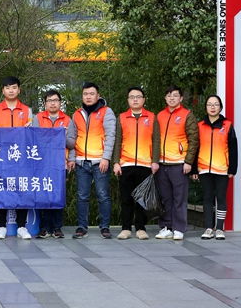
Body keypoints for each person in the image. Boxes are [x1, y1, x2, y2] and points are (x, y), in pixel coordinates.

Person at [66, 82, 115, 239]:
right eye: (85, 94)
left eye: (91, 94)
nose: (88, 97)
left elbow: (110, 136)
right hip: (81, 162)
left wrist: (106, 158)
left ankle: (105, 227)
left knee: (103, 195)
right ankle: (82, 227)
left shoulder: (106, 112)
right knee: (82, 196)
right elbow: (72, 139)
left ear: (98, 96)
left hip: (100, 161)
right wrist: (72, 159)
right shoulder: (76, 114)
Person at [112, 87, 160, 241]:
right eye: (132, 97)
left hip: (145, 164)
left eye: (138, 97)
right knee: (126, 199)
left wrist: (155, 161)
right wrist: (116, 162)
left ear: (144, 100)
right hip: (125, 164)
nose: (135, 99)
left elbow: (156, 140)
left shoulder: (152, 117)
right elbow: (117, 141)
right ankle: (126, 228)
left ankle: (140, 228)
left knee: (142, 199)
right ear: (128, 100)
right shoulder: (122, 117)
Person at [0, 76, 33, 240]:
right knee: (1, 190)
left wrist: (31, 129)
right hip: (2, 158)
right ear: (3, 91)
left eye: (14, 87)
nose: (11, 90)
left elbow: (32, 136)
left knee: (22, 189)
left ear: (19, 90)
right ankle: (1, 226)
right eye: (7, 88)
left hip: (21, 158)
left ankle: (22, 226)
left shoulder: (27, 110)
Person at [154, 85, 199, 241]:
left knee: (179, 197)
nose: (171, 98)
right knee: (165, 198)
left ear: (181, 98)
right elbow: (155, 140)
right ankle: (166, 227)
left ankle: (179, 228)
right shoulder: (159, 115)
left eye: (175, 95)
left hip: (180, 163)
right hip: (162, 163)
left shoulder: (187, 115)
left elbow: (193, 140)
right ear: (165, 98)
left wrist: (189, 162)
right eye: (168, 95)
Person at [192, 95, 237, 240]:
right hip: (204, 168)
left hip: (222, 169)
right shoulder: (200, 126)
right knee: (207, 198)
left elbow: (233, 148)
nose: (212, 107)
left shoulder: (228, 125)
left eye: (216, 104)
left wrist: (232, 169)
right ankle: (208, 228)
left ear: (220, 107)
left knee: (221, 198)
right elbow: (195, 148)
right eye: (210, 104)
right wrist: (194, 169)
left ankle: (219, 228)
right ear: (205, 107)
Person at [32, 89, 71, 239]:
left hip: (60, 164)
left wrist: (64, 136)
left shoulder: (67, 119)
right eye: (49, 101)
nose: (53, 103)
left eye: (55, 100)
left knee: (57, 195)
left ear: (60, 103)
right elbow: (33, 139)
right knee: (43, 194)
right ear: (45, 103)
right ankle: (44, 227)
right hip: (42, 163)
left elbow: (72, 143)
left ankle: (57, 227)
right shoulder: (38, 118)